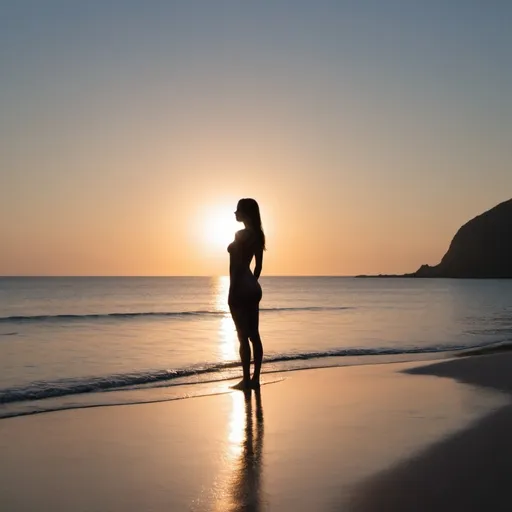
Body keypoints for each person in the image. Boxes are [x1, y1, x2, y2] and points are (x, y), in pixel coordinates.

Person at [228, 198, 265, 390]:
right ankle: (255, 379)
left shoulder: (240, 234)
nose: (235, 213)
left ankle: (245, 379)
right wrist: (252, 284)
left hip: (240, 286)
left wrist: (235, 291)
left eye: (238, 210)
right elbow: (257, 266)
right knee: (255, 335)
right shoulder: (258, 235)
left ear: (245, 214)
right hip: (252, 286)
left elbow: (235, 268)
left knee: (243, 336)